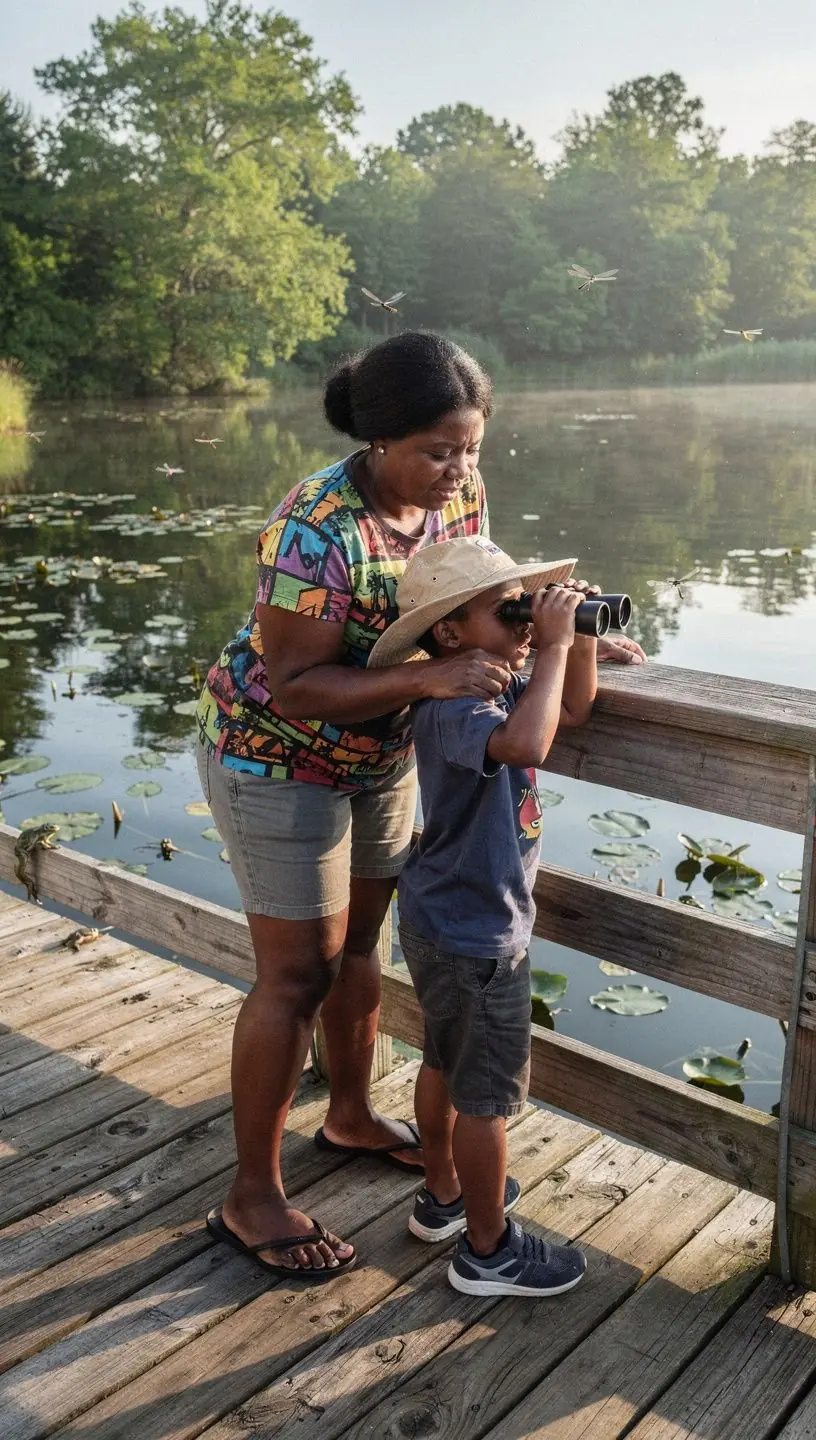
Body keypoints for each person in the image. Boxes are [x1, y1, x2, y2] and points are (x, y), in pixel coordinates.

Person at [195, 331, 645, 1283]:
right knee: (297, 975)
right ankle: (253, 1195)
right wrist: (434, 675)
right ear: (380, 440)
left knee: (362, 947)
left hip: (391, 746)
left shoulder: (459, 497)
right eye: (438, 451)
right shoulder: (314, 525)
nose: (459, 471)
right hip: (276, 753)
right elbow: (296, 685)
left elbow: (476, 598)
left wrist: (560, 639)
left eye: (471, 448)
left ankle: (351, 1115)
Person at [368, 535, 596, 1297]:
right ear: (449, 632)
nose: (526, 621)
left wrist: (577, 640)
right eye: (510, 611)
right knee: (486, 1098)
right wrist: (553, 643)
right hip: (476, 933)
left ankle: (444, 1195)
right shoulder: (458, 704)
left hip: (444, 918)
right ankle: (488, 1250)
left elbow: (571, 708)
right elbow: (529, 741)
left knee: (443, 1061)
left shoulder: (490, 679)